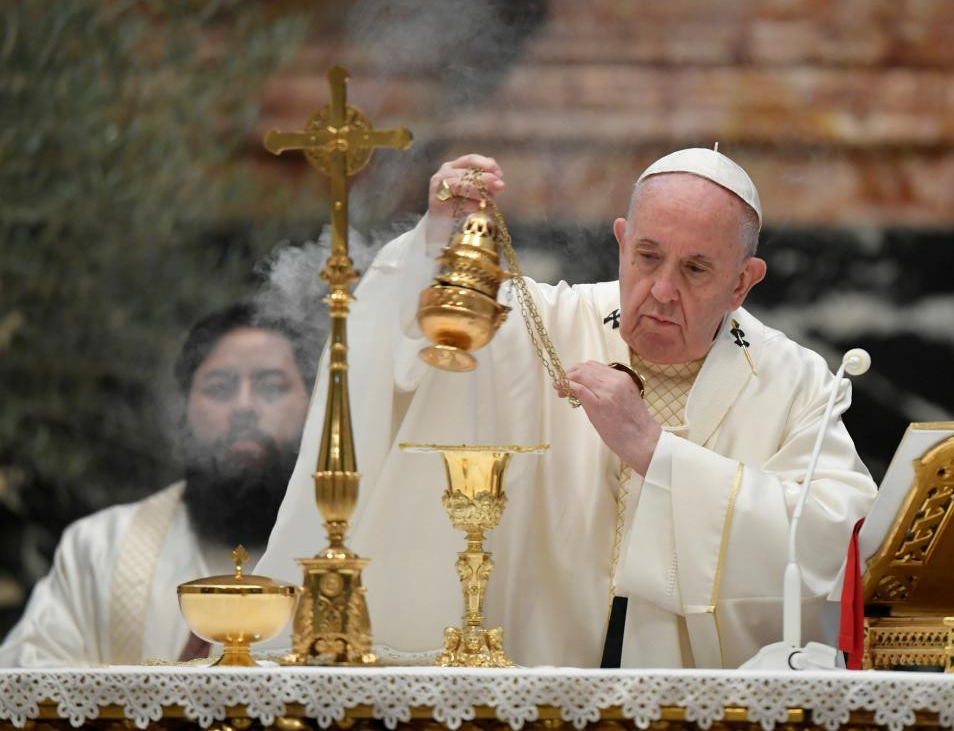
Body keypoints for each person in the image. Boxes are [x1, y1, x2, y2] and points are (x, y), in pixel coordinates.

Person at [256, 149, 877, 668]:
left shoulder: (793, 381)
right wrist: (438, 241)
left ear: (743, 282)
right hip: (532, 675)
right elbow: (402, 342)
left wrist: (657, 454)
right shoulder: (540, 324)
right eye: (648, 256)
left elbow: (835, 541)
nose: (662, 291)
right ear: (621, 241)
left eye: (695, 269)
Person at [0, 304, 312, 666]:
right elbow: (22, 687)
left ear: (313, 405)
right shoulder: (99, 548)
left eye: (271, 386)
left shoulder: (355, 547)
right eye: (219, 387)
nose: (244, 406)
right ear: (184, 412)